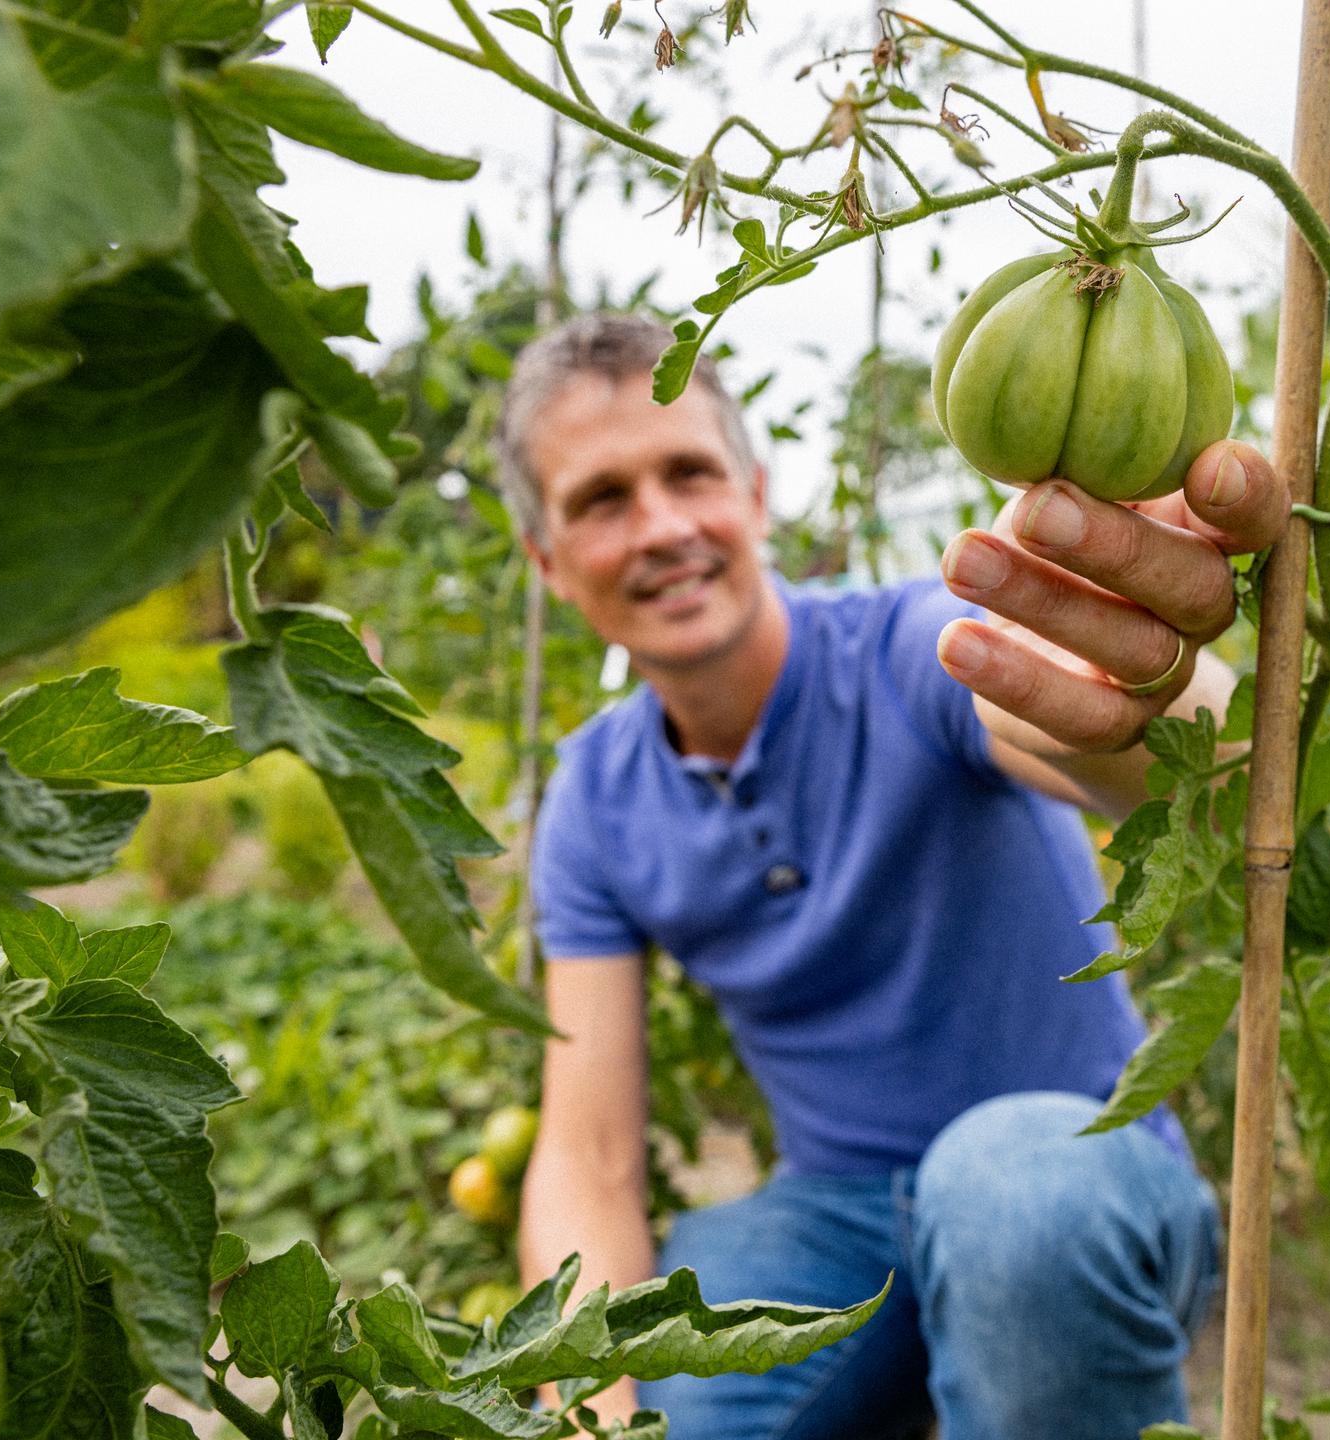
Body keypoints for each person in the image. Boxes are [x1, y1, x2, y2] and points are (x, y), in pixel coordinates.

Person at [503, 313, 1287, 1440]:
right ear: (545, 562)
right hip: (837, 1220)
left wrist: (1142, 690)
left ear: (755, 496)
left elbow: (1121, 735)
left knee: (1015, 1202)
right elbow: (587, 1154)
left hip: (1076, 1175)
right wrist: (587, 1407)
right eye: (601, 499)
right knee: (675, 1398)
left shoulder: (902, 650)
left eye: (689, 473)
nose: (662, 526)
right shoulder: (594, 798)